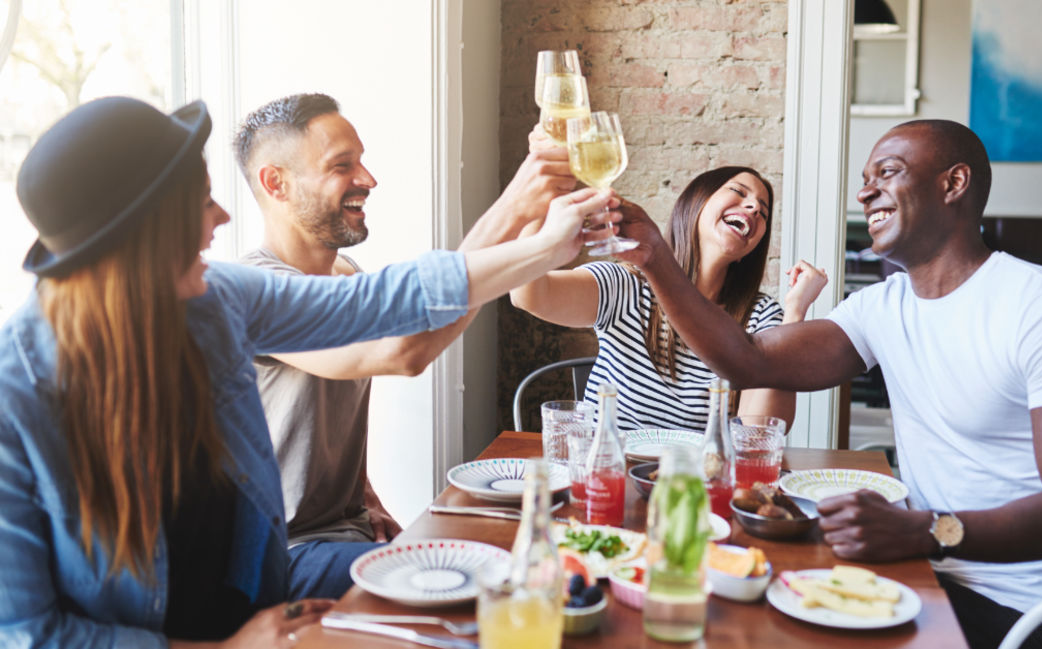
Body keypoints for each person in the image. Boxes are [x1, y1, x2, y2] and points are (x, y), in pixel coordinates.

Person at [0, 96, 612, 648]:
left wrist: (543, 247)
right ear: (143, 233)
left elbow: (387, 304)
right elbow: (32, 633)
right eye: (200, 199)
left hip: (259, 602)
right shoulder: (14, 401)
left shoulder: (215, 302)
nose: (221, 217)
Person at [608, 119, 1042, 649]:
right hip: (925, 572)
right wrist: (655, 257)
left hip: (1029, 613)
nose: (864, 191)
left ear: (954, 184)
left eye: (888, 172)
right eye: (864, 177)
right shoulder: (884, 307)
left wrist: (928, 530)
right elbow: (749, 360)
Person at [230, 93, 576, 598]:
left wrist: (362, 496)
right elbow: (403, 351)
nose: (368, 179)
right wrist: (517, 209)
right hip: (281, 552)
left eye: (362, 161)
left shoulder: (347, 275)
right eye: (341, 166)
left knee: (521, 545)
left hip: (338, 535)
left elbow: (423, 325)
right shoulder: (253, 291)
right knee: (498, 581)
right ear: (275, 183)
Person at [511, 165, 828, 431]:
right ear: (696, 203)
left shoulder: (761, 316)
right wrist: (548, 191)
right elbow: (527, 294)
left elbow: (759, 433)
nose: (755, 207)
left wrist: (795, 314)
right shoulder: (626, 285)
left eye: (763, 209)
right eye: (739, 192)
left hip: (693, 490)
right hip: (605, 478)